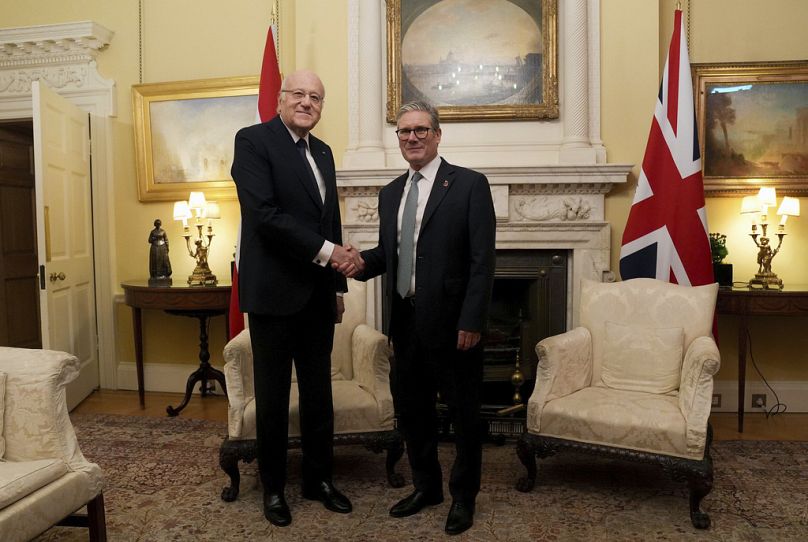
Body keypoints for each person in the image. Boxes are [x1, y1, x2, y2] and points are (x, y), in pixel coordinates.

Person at [340, 101, 496, 535]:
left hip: (454, 326)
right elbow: (391, 256)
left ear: (437, 135)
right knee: (414, 413)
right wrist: (357, 262)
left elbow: (483, 262)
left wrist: (472, 321)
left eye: (420, 130)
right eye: (404, 131)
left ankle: (463, 498)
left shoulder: (468, 185)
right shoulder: (391, 193)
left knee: (464, 416)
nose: (411, 137)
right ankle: (427, 486)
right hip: (405, 323)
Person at [230, 69, 359, 527]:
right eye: (299, 95)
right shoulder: (252, 141)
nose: (308, 103)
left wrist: (338, 283)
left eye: (317, 98)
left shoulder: (322, 151)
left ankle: (318, 480)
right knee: (272, 396)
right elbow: (264, 215)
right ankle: (274, 489)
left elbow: (331, 221)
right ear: (281, 99)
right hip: (273, 294)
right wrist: (330, 254)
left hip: (318, 296)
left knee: (318, 394)